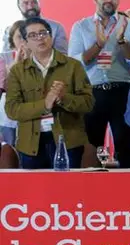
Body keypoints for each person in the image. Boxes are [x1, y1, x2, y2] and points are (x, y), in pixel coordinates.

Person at [68, 0, 130, 168]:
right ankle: (88, 193)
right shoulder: (81, 26)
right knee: (90, 148)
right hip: (91, 93)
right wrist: (98, 45)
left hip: (123, 92)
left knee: (125, 145)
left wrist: (122, 41)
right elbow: (75, 64)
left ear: (118, 1)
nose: (109, 0)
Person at [5, 17, 93, 169]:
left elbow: (88, 104)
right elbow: (12, 110)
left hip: (67, 141)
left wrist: (63, 98)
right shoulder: (17, 71)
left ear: (51, 37)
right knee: (34, 191)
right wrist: (44, 104)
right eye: (33, 35)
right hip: (30, 144)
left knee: (67, 190)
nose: (40, 38)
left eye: (43, 33)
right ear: (25, 43)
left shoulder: (73, 66)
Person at [2, 0, 69, 54]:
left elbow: (62, 56)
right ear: (19, 6)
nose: (30, 6)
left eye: (34, 2)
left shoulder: (56, 27)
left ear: (39, 3)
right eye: (25, 3)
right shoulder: (9, 30)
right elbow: (6, 58)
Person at [0, 21, 25, 148]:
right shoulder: (4, 57)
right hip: (8, 116)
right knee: (8, 149)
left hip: (32, 115)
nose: (24, 40)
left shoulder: (41, 58)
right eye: (19, 36)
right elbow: (5, 85)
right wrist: (17, 62)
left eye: (27, 35)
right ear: (12, 39)